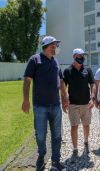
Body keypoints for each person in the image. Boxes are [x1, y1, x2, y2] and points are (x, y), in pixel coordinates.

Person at [22, 36, 69, 171]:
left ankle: (55, 162)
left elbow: (61, 81)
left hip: (56, 105)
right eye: (56, 44)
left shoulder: (56, 61)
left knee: (57, 135)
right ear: (49, 45)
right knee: (41, 135)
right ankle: (42, 154)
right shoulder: (34, 59)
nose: (57, 47)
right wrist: (26, 99)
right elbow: (27, 80)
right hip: (40, 105)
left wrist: (65, 98)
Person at [62, 49, 96, 162]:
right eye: (79, 55)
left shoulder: (87, 69)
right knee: (74, 127)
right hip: (73, 104)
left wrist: (93, 98)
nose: (82, 57)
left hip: (86, 103)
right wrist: (64, 100)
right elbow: (63, 86)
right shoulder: (67, 71)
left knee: (86, 125)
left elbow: (93, 84)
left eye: (83, 55)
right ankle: (75, 150)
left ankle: (86, 142)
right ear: (74, 56)